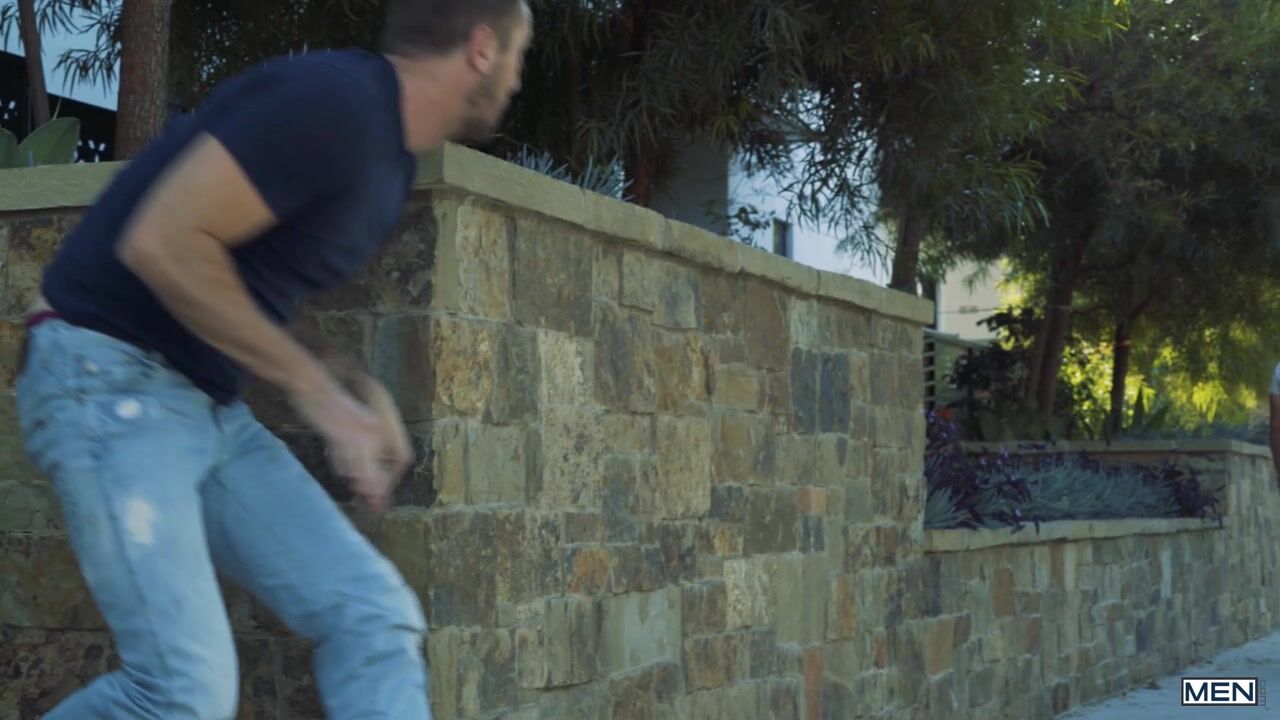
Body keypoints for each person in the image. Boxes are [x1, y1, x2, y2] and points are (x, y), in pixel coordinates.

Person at [14, 0, 532, 717]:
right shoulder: (336, 105)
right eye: (518, 55)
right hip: (106, 380)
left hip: (201, 404)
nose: (517, 78)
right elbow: (164, 242)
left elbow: (246, 289)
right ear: (481, 47)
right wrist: (313, 391)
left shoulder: (384, 156)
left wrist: (349, 386)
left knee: (373, 617)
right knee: (181, 693)